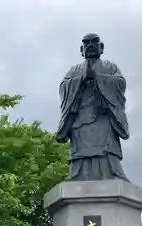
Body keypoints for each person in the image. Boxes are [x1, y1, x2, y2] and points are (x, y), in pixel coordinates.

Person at [56, 33, 130, 181]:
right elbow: (63, 87)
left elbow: (120, 83)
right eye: (86, 43)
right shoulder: (74, 70)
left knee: (106, 148)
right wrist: (82, 79)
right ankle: (77, 175)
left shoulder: (110, 67)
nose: (90, 45)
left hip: (103, 116)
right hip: (80, 118)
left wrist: (98, 77)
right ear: (81, 50)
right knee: (80, 152)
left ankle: (112, 173)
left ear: (101, 48)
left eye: (94, 42)